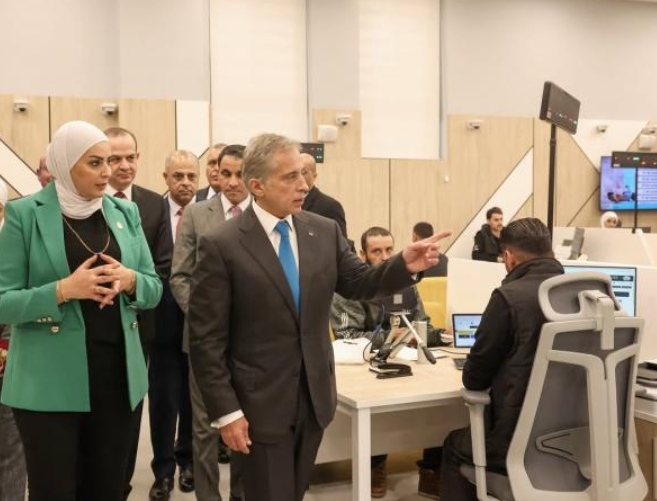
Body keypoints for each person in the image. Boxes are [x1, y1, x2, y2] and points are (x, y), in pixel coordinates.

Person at [187, 133, 448, 501]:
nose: (304, 185)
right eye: (291, 176)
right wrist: (227, 412)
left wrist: (403, 265)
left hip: (314, 400)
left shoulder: (323, 231)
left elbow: (359, 283)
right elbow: (206, 340)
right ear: (257, 186)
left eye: (304, 174)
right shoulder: (222, 244)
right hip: (258, 405)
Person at [0, 121, 163, 501]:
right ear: (64, 163)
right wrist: (62, 291)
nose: (108, 171)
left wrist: (130, 280)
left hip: (115, 378)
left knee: (107, 489)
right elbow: (3, 300)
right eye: (95, 163)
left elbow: (154, 288)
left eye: (109, 161)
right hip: (46, 382)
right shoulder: (25, 214)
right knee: (54, 490)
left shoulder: (126, 212)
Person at [440, 218, 563, 501]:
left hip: (516, 441)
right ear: (551, 250)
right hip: (576, 440)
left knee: (453, 446)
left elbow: (474, 378)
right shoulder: (589, 294)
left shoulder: (509, 298)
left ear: (508, 257)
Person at [330, 226, 444, 499]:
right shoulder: (347, 291)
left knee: (443, 404)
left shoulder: (408, 284)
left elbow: (424, 325)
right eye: (376, 251)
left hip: (408, 363)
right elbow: (349, 336)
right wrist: (396, 336)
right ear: (363, 255)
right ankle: (375, 464)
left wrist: (432, 335)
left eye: (389, 250)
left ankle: (432, 468)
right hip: (366, 369)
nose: (384, 256)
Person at [171, 144, 250, 501]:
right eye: (225, 173)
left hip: (251, 342)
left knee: (245, 424)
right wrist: (206, 319)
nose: (231, 182)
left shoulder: (261, 216)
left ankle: (241, 495)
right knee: (204, 428)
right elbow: (180, 277)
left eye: (239, 174)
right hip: (204, 339)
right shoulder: (196, 214)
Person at [104, 126, 172, 498]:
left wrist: (132, 287)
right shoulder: (87, 203)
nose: (125, 165)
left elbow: (162, 266)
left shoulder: (153, 204)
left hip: (140, 321)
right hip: (94, 322)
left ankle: (123, 484)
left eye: (131, 157)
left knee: (132, 408)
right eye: (115, 158)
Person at [148, 150, 200, 501]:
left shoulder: (208, 214)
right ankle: (163, 471)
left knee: (193, 397)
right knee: (164, 398)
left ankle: (188, 460)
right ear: (165, 178)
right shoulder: (151, 212)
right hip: (161, 320)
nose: (184, 182)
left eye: (191, 176)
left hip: (198, 319)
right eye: (178, 176)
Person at [0, 178, 28, 501]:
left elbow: (16, 301)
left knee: (9, 449)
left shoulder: (14, 244)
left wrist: (5, 352)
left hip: (8, 365)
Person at [300, 152, 348, 238]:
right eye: (295, 172)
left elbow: (341, 241)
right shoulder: (288, 203)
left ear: (314, 176)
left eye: (303, 172)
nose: (299, 177)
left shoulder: (331, 206)